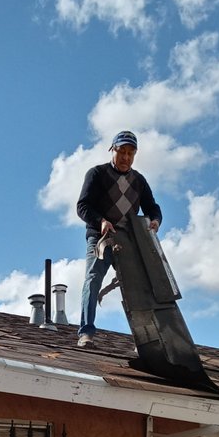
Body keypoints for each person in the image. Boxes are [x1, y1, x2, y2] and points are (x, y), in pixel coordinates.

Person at [75, 130, 162, 347]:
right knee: (93, 278)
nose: (125, 157)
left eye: (130, 153)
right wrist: (101, 221)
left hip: (127, 240)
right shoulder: (97, 174)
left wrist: (155, 220)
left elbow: (152, 207)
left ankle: (145, 340)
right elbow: (82, 206)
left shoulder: (139, 181)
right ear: (112, 150)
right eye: (121, 151)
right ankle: (86, 332)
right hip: (101, 237)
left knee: (138, 285)